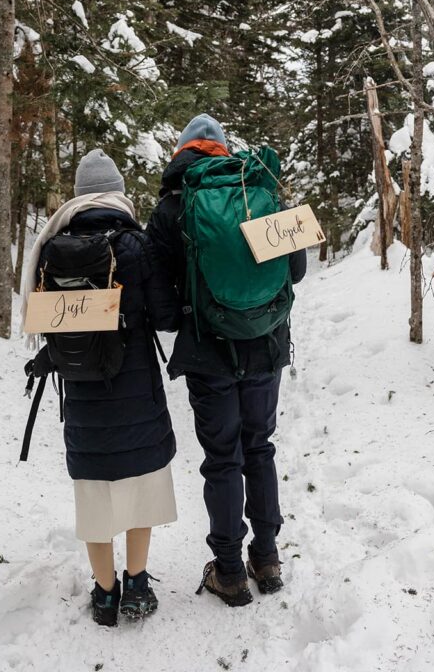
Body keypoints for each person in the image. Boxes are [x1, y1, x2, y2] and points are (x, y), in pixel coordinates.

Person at [146, 115, 307, 607]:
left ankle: (231, 572)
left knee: (223, 459)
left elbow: (162, 309)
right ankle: (268, 557)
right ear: (223, 151)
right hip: (264, 344)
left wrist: (194, 314)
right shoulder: (260, 190)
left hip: (208, 353)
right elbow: (295, 271)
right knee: (259, 448)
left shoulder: (171, 208)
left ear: (181, 153)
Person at [21, 149, 178, 627]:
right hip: (135, 388)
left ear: (78, 196)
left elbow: (48, 322)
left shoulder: (52, 246)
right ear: (118, 193)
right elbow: (166, 316)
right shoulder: (135, 243)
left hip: (84, 396)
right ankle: (136, 586)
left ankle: (105, 593)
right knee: (141, 485)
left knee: (93, 493)